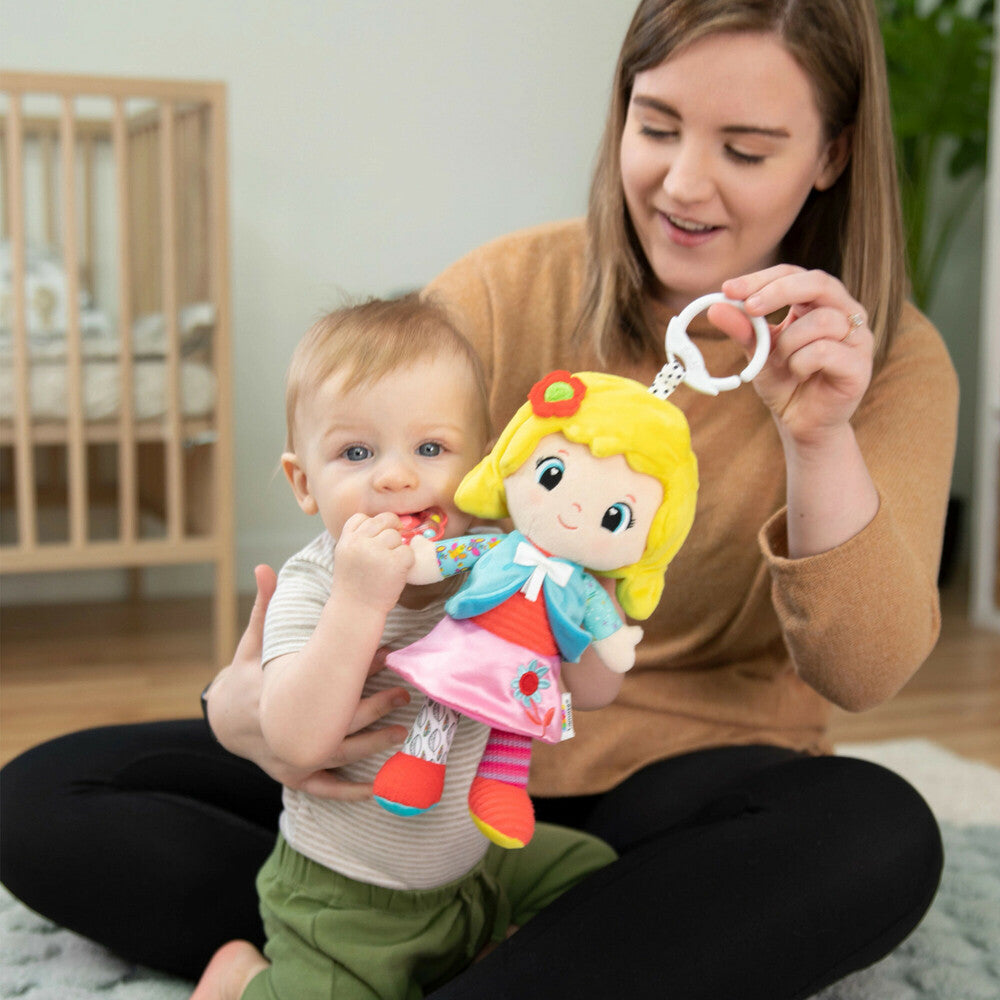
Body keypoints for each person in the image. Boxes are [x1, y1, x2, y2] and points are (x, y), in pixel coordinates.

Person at [0, 1, 958, 997]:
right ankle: (498, 960)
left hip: (660, 805)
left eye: (745, 149)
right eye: (656, 126)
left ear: (832, 153)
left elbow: (863, 672)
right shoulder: (507, 289)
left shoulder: (888, 363)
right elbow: (354, 499)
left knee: (875, 833)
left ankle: (373, 972)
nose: (682, 183)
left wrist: (817, 439)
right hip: (411, 766)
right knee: (43, 796)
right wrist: (244, 711)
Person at [189, 297, 620, 1000]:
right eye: (356, 453)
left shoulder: (500, 565)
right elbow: (296, 740)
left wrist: (592, 585)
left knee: (593, 868)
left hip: (472, 869)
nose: (395, 478)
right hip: (345, 901)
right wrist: (361, 602)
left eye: (431, 449)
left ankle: (477, 949)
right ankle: (241, 978)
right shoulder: (315, 585)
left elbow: (594, 694)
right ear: (304, 482)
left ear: (482, 466)